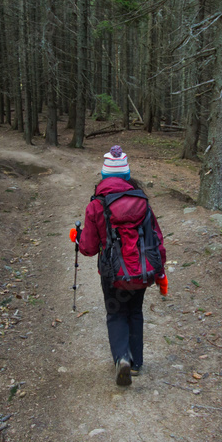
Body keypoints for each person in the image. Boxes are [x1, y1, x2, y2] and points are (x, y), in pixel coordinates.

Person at [75, 146, 167, 386]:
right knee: (135, 312)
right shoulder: (142, 201)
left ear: (104, 175)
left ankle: (122, 359)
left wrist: (77, 236)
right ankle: (136, 363)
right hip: (142, 271)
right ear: (127, 175)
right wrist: (161, 272)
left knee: (116, 314)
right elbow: (157, 239)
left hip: (112, 273)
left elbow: (88, 248)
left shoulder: (96, 204)